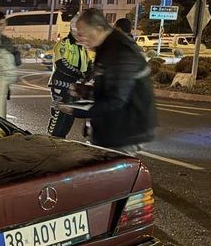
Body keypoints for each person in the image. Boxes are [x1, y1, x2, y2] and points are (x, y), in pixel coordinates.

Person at [56, 9, 157, 154]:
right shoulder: (105, 47)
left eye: (82, 33)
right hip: (112, 128)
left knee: (109, 174)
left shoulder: (121, 52)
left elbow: (117, 99)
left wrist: (76, 110)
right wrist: (86, 91)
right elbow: (109, 87)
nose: (79, 38)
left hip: (126, 131)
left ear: (97, 29)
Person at [47, 17, 92, 138]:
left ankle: (60, 143)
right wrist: (80, 74)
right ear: (73, 29)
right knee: (58, 117)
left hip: (75, 88)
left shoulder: (83, 48)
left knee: (68, 119)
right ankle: (51, 144)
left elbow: (87, 65)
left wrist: (90, 73)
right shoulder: (63, 43)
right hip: (60, 86)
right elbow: (61, 64)